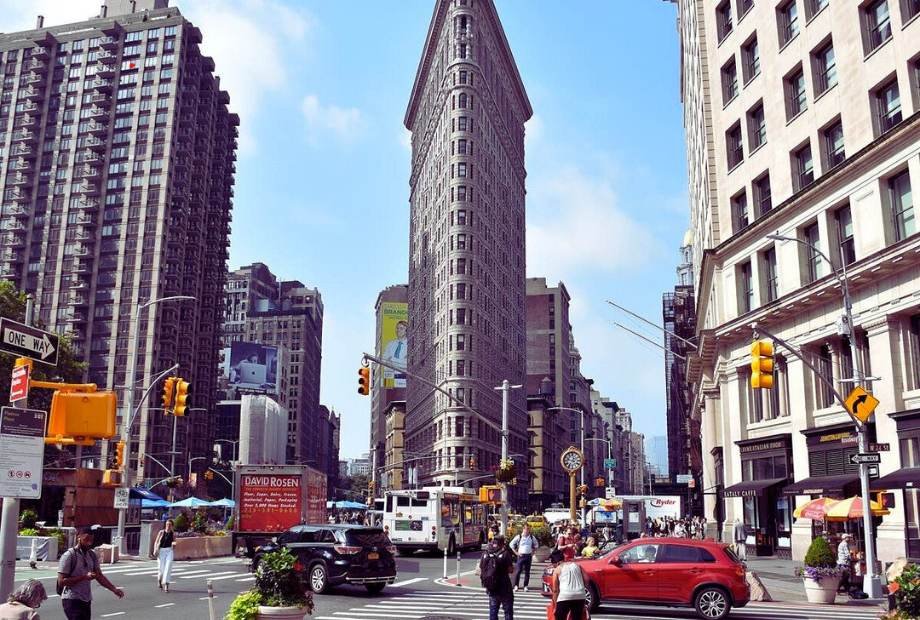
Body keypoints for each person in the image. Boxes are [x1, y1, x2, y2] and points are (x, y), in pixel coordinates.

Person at [57, 526, 124, 620]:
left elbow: (99, 576)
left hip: (86, 599)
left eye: (91, 540)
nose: (89, 543)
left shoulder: (92, 555)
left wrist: (114, 589)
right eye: (86, 539)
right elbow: (61, 582)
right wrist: (84, 577)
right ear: (78, 537)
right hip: (71, 599)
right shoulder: (69, 556)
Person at [479, 535, 514, 620]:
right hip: (505, 587)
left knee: (493, 611)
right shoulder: (505, 553)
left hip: (492, 587)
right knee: (508, 611)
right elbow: (510, 570)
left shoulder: (486, 553)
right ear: (503, 543)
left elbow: (481, 568)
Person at [550, 548, 588, 620]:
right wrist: (581, 588)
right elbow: (587, 579)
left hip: (565, 596)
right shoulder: (577, 565)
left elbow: (555, 590)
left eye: (553, 565)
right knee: (577, 617)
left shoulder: (557, 569)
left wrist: (555, 605)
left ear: (556, 563)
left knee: (559, 616)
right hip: (580, 595)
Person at [509, 525, 538, 592]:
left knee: (527, 572)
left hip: (528, 556)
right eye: (526, 529)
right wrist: (516, 553)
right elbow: (511, 545)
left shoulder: (531, 537)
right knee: (518, 571)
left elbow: (536, 545)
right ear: (523, 529)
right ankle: (516, 585)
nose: (527, 531)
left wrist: (533, 552)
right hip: (521, 556)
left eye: (528, 529)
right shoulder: (519, 536)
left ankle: (525, 586)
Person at [153, 519, 177, 592]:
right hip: (161, 551)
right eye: (167, 524)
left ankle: (166, 584)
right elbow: (156, 542)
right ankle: (159, 580)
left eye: (169, 525)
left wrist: (174, 545)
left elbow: (174, 542)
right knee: (161, 569)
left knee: (168, 566)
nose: (168, 526)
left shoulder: (173, 533)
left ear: (172, 526)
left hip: (169, 550)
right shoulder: (161, 532)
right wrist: (155, 550)